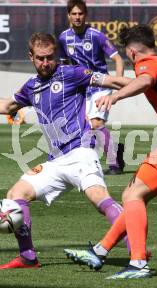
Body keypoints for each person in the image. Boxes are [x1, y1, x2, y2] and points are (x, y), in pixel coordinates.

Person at [0, 32, 132, 270]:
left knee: (99, 199)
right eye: (40, 58)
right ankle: (28, 256)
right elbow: (7, 106)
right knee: (15, 195)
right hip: (55, 161)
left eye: (50, 57)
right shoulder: (32, 86)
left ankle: (137, 253)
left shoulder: (72, 73)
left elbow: (113, 81)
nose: (46, 63)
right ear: (31, 57)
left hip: (81, 153)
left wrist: (147, 82)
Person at [63, 25, 157, 279]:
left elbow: (144, 81)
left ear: (131, 52)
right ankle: (100, 250)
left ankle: (139, 263)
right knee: (135, 196)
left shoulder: (148, 64)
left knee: (132, 195)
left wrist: (115, 97)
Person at [58, 0, 125, 175]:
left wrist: (117, 84)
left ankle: (114, 165)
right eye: (74, 14)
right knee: (84, 128)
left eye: (80, 14)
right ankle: (113, 150)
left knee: (96, 124)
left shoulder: (97, 35)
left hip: (101, 85)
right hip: (81, 88)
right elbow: (64, 64)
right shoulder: (64, 38)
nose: (77, 17)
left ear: (85, 15)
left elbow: (118, 59)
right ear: (68, 15)